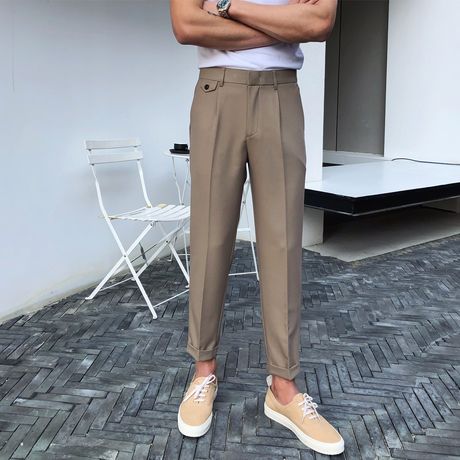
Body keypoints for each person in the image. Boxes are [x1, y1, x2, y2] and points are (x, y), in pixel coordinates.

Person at [170, 0, 344, 455]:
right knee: (210, 238)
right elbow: (186, 24)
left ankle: (283, 388)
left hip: (281, 93)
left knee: (283, 243)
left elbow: (319, 21)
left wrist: (227, 8)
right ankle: (203, 371)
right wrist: (283, 27)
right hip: (217, 92)